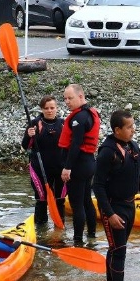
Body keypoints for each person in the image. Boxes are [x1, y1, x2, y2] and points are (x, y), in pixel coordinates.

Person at [93, 110, 140, 281]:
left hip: (129, 205)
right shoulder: (107, 152)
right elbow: (97, 186)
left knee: (116, 247)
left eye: (133, 126)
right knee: (120, 250)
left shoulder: (133, 147)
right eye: (129, 127)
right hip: (113, 207)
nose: (133, 130)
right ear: (117, 130)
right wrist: (109, 214)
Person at [58, 84, 100, 246]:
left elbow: (75, 144)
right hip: (89, 163)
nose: (67, 102)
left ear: (81, 97)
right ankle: (91, 236)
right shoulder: (89, 113)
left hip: (79, 165)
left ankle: (77, 241)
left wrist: (67, 167)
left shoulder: (79, 118)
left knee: (77, 204)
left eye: (70, 98)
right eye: (65, 99)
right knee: (86, 200)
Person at [22, 95, 64, 227]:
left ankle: (60, 230)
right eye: (46, 108)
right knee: (41, 200)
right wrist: (28, 136)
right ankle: (40, 231)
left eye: (52, 108)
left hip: (59, 168)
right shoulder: (34, 124)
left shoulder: (63, 124)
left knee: (60, 200)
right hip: (39, 168)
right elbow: (25, 145)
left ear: (57, 108)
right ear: (42, 109)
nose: (49, 111)